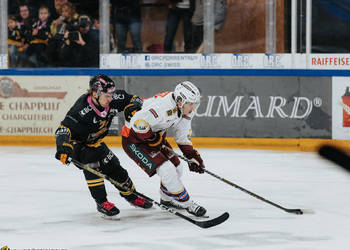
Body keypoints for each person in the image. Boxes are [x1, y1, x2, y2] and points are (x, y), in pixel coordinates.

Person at [55, 74, 153, 218]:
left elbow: (135, 99)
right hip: (79, 146)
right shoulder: (81, 109)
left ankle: (132, 196)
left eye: (112, 94)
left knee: (115, 168)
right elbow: (63, 130)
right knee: (93, 166)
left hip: (96, 143)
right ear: (95, 93)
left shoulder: (112, 99)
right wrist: (63, 147)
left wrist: (133, 108)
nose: (111, 98)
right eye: (107, 96)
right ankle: (102, 202)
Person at [121, 81, 206, 217]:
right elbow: (137, 122)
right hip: (134, 140)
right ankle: (188, 204)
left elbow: (181, 135)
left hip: (154, 137)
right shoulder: (162, 107)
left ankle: (166, 200)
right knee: (167, 170)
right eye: (190, 103)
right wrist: (152, 139)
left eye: (194, 104)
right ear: (179, 100)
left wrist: (191, 155)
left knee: (177, 167)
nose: (192, 108)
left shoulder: (185, 109)